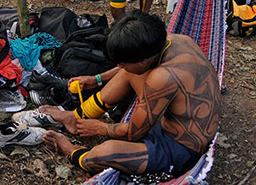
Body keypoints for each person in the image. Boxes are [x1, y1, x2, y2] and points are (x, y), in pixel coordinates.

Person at [32, 11, 220, 177]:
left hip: (182, 147)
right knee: (129, 73)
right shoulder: (176, 41)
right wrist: (96, 79)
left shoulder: (161, 78)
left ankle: (71, 150)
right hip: (177, 118)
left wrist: (99, 128)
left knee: (105, 153)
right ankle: (75, 117)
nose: (119, 66)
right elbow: (129, 68)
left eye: (122, 62)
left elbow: (133, 133)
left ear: (143, 60)